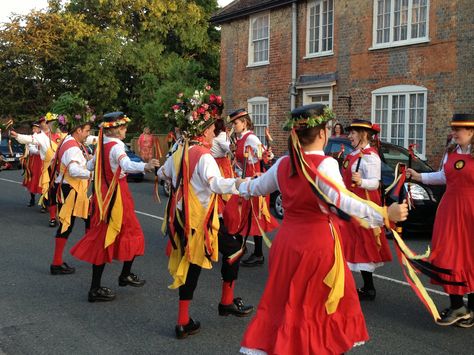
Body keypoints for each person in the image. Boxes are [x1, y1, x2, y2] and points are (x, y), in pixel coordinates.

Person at [237, 103, 408, 355]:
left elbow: (254, 187)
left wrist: (225, 184)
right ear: (322, 134)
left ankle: (289, 346)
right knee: (317, 307)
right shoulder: (325, 164)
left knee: (287, 303)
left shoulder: (284, 163)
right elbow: (344, 201)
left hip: (286, 245)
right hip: (317, 248)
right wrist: (384, 214)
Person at [158, 88, 253, 340]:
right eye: (212, 129)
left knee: (192, 266)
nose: (214, 132)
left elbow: (162, 174)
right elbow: (216, 184)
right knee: (233, 249)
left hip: (180, 217)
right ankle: (225, 303)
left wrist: (179, 184)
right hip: (197, 219)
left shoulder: (180, 151)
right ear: (203, 131)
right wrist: (240, 183)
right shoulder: (204, 156)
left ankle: (184, 321)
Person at [70, 112, 160, 302]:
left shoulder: (102, 145)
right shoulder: (116, 146)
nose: (126, 130)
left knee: (105, 237)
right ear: (116, 129)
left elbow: (91, 164)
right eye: (124, 127)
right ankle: (117, 278)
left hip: (103, 195)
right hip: (116, 195)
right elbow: (125, 164)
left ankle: (106, 282)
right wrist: (144, 166)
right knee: (131, 233)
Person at [407, 113, 474, 327]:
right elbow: (443, 177)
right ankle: (457, 306)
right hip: (450, 211)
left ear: (471, 131)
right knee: (449, 255)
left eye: (458, 129)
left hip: (471, 211)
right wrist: (419, 176)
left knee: (471, 257)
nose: (453, 133)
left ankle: (469, 310)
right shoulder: (451, 152)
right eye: (453, 129)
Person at [339, 119, 391, 301]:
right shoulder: (354, 154)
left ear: (363, 134)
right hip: (350, 202)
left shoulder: (370, 156)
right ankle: (358, 286)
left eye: (352, 133)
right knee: (350, 242)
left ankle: (369, 288)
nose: (349, 136)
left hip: (364, 203)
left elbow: (375, 182)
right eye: (350, 133)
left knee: (362, 244)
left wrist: (361, 182)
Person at [224, 109, 279, 267]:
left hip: (253, 181)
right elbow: (241, 162)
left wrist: (266, 154)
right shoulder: (240, 139)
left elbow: (268, 156)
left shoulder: (252, 138)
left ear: (244, 122)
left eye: (236, 123)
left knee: (253, 217)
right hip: (243, 180)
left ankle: (258, 254)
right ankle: (242, 248)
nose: (234, 126)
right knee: (236, 214)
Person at [48, 114, 94, 275]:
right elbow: (74, 170)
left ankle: (86, 253)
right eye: (86, 130)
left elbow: (80, 164)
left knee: (88, 218)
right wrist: (93, 175)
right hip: (70, 189)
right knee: (68, 225)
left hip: (71, 189)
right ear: (78, 130)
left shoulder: (69, 141)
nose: (88, 133)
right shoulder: (73, 147)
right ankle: (57, 263)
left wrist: (93, 162)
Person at [11, 113, 66, 227]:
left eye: (56, 123)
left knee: (63, 192)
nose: (52, 125)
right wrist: (17, 136)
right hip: (49, 169)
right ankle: (52, 218)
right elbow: (30, 139)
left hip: (63, 168)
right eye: (50, 123)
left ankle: (62, 215)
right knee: (51, 192)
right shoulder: (41, 137)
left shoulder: (64, 135)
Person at [211, 118, 234, 213]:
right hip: (216, 163)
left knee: (222, 188)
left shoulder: (221, 136)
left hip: (221, 165)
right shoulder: (219, 136)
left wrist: (231, 148)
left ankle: (223, 211)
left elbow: (229, 148)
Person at [22, 122, 43, 207]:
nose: (33, 130)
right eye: (33, 128)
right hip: (34, 162)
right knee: (32, 179)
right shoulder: (32, 137)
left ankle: (44, 203)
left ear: (39, 129)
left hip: (43, 161)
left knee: (43, 180)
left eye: (35, 128)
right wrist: (39, 152)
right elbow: (31, 148)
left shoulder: (44, 137)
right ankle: (32, 199)